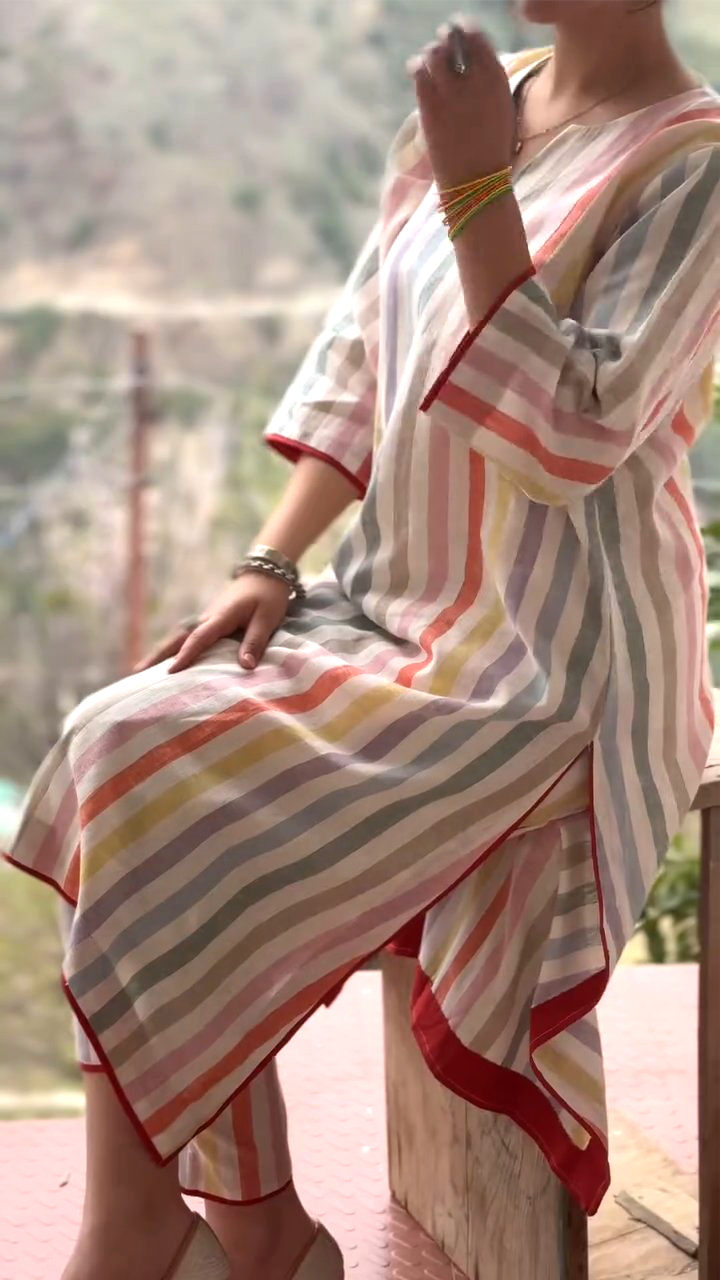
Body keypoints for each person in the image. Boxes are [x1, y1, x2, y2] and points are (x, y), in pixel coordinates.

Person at [5, 1, 720, 1277]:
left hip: (546, 662)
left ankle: (154, 1235)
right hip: (391, 601)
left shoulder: (691, 161)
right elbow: (359, 353)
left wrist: (478, 185)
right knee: (118, 735)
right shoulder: (481, 97)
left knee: (171, 786)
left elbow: (572, 433)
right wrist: (269, 561)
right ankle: (252, 1224)